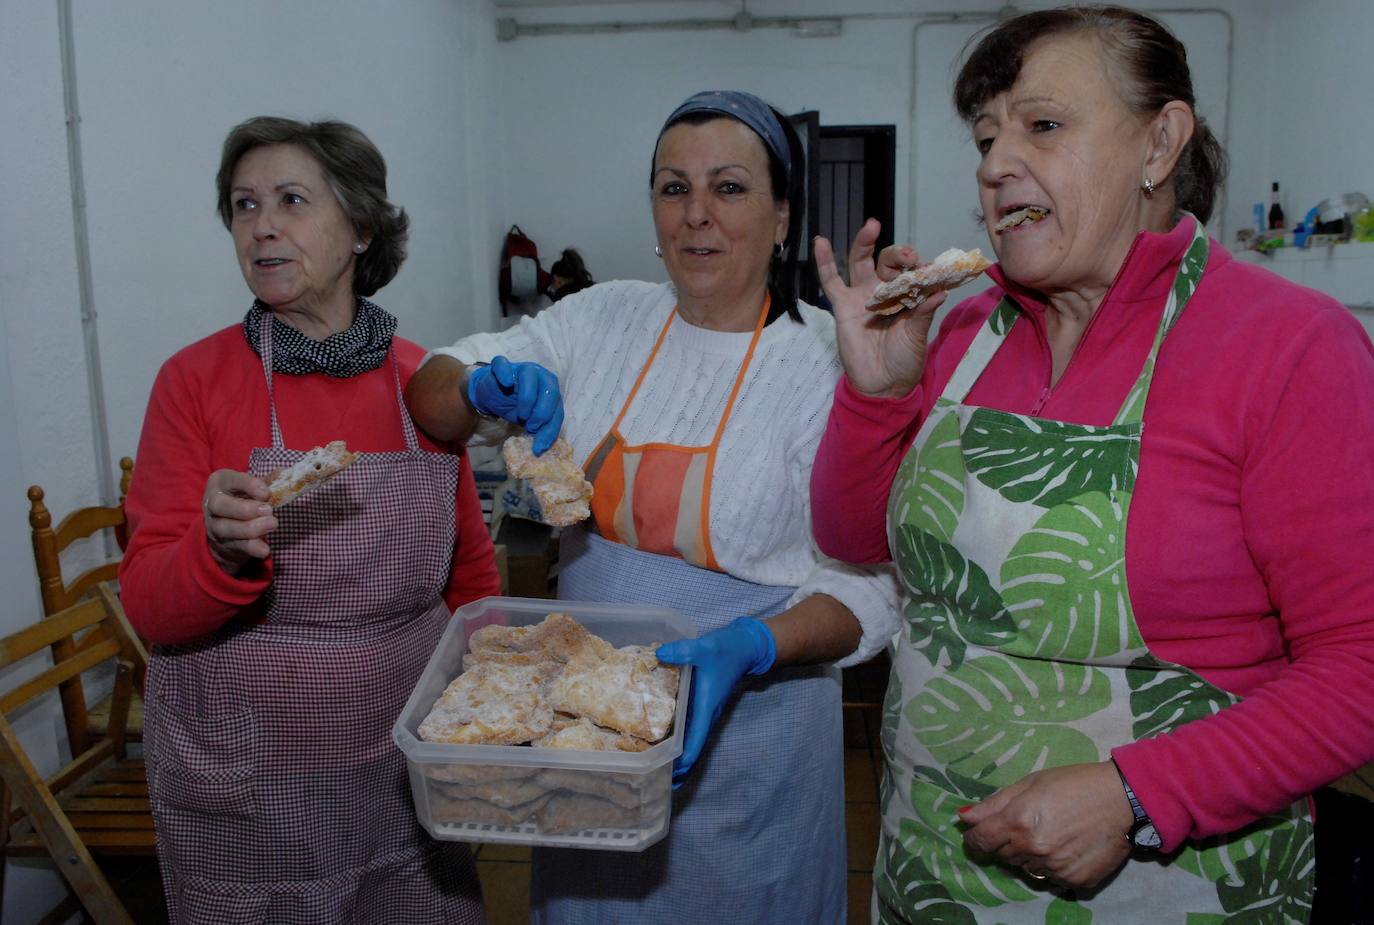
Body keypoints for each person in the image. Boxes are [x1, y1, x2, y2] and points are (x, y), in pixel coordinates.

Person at [807, 6, 1374, 923]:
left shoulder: (1289, 348)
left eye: (1042, 125)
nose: (994, 164)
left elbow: (1361, 664)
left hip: (1168, 883)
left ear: (1160, 143)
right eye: (986, 136)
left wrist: (1138, 793)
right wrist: (876, 391)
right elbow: (848, 536)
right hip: (928, 872)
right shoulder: (958, 328)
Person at [404, 90, 901, 924]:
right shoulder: (602, 320)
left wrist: (752, 644)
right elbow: (430, 395)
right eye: (674, 188)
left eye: (730, 188)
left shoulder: (828, 362)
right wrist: (477, 385)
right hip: (592, 746)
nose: (697, 215)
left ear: (783, 215)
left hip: (756, 733)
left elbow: (876, 587)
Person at [118, 116, 498, 923]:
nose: (262, 225)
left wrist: (488, 715)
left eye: (292, 199)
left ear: (360, 226)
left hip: (402, 759)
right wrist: (218, 551)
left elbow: (470, 577)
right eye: (243, 204)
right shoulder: (193, 382)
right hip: (255, 786)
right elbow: (150, 599)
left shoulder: (422, 383)